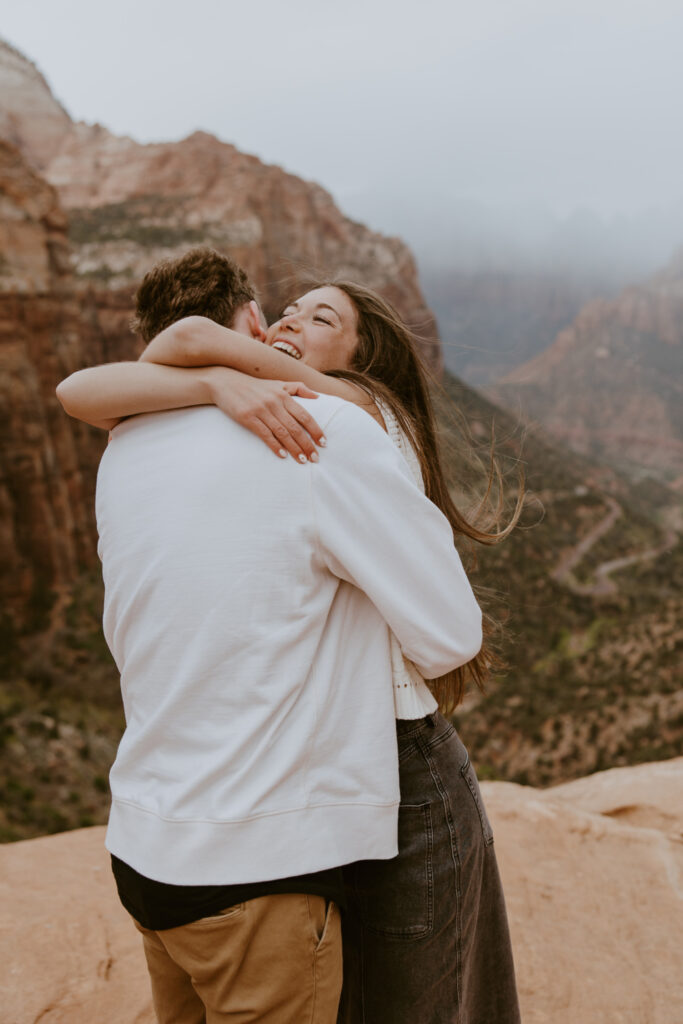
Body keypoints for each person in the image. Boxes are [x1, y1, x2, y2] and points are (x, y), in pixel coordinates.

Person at [57, 248, 488, 1024]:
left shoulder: (128, 441)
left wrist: (220, 377)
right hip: (261, 856)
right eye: (286, 311)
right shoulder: (317, 434)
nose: (291, 321)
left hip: (147, 846)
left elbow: (111, 375)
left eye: (320, 317)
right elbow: (450, 635)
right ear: (251, 323)